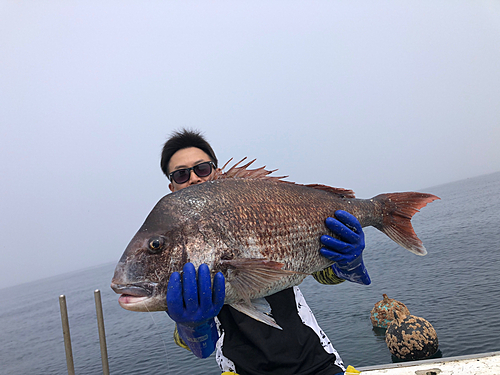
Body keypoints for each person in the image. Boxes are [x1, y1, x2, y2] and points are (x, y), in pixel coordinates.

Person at [160, 129, 371, 375]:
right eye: (182, 174)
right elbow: (200, 349)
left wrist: (349, 263)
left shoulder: (251, 204)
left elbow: (325, 276)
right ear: (172, 187)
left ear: (216, 172)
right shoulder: (175, 245)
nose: (194, 178)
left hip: (317, 363)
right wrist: (191, 327)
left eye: (202, 169)